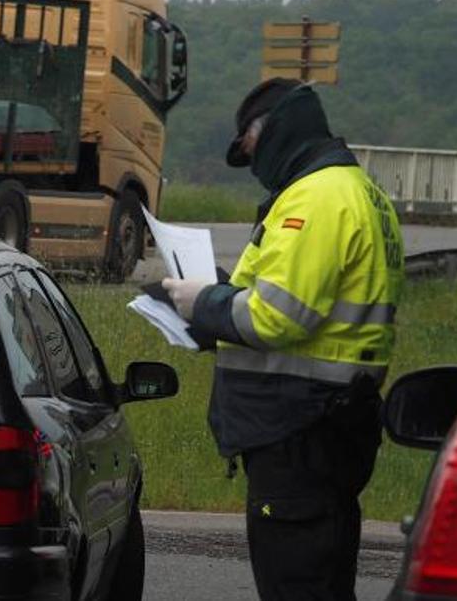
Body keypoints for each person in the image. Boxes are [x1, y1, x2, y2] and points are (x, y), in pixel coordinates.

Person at [161, 78, 404, 601]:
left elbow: (275, 317)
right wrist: (219, 309)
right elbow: (308, 309)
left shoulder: (315, 199)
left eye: (249, 148)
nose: (252, 164)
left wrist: (202, 303)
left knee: (295, 585)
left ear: (270, 132)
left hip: (299, 432)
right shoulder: (361, 191)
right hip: (334, 426)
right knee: (326, 582)